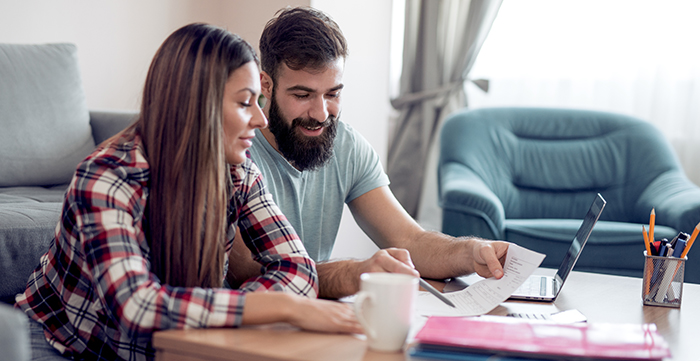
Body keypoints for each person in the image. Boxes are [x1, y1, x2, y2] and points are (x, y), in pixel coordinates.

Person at [15, 23, 362, 361]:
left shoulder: (238, 172)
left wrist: (231, 320)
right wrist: (272, 305)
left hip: (175, 346)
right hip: (67, 346)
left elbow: (298, 268)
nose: (261, 119)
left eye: (258, 101)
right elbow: (135, 307)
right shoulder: (108, 178)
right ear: (198, 106)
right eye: (245, 103)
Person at [227, 7, 511, 299]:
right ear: (266, 85)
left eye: (333, 94)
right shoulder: (238, 156)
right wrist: (354, 273)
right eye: (302, 95)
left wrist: (471, 252)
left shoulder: (346, 146)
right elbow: (249, 273)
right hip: (250, 320)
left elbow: (410, 239)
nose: (321, 113)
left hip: (312, 315)